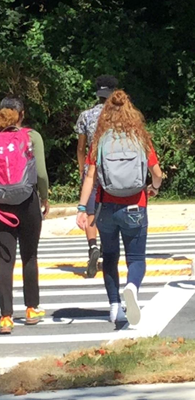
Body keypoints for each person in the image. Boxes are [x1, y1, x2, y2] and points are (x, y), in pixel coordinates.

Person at [76, 90, 163, 325]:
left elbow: (90, 176)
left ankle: (114, 306)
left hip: (107, 207)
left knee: (111, 257)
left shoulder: (101, 140)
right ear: (130, 111)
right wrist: (153, 188)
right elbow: (156, 174)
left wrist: (82, 208)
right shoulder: (141, 138)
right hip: (136, 205)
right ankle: (132, 287)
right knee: (136, 258)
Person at [0, 97, 50, 334]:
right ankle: (31, 309)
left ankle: (6, 317)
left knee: (4, 259)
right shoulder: (32, 137)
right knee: (30, 256)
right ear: (22, 114)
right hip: (28, 203)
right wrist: (44, 197)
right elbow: (40, 173)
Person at [75, 75, 118, 278]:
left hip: (92, 168)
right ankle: (108, 248)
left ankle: (92, 247)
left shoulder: (85, 116)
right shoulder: (120, 115)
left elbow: (81, 147)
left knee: (90, 207)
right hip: (115, 169)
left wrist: (82, 169)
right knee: (112, 206)